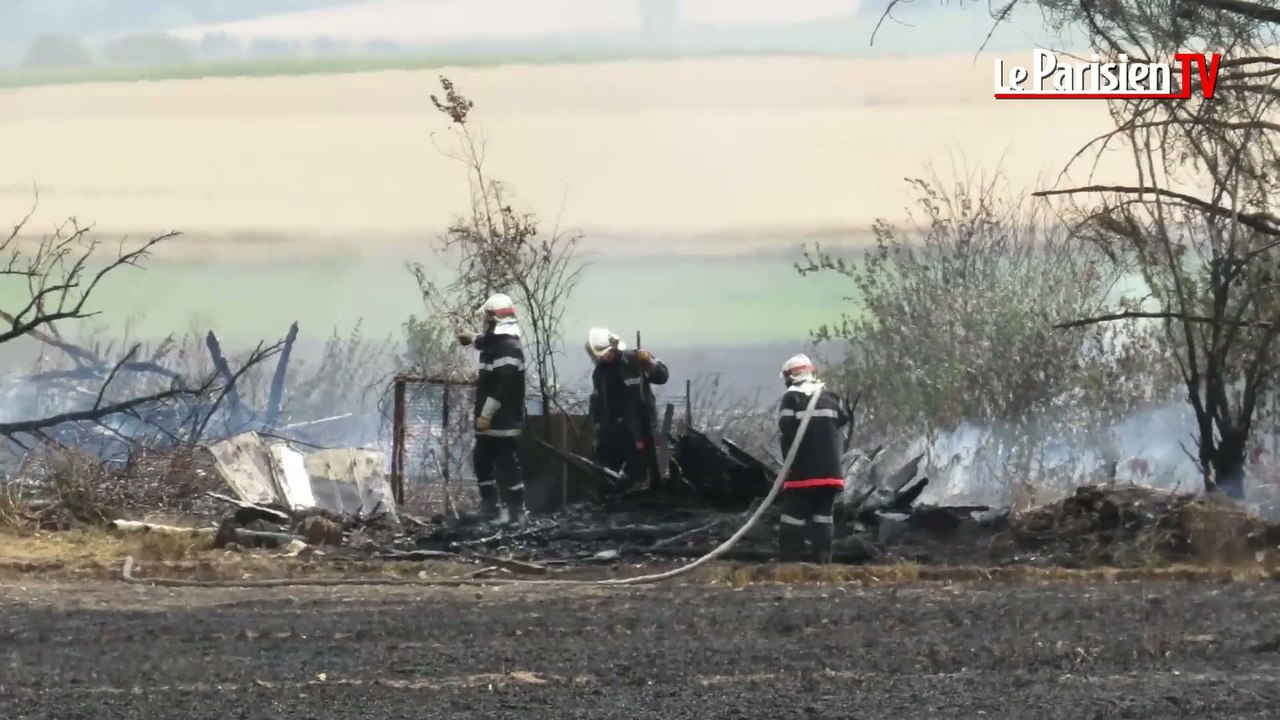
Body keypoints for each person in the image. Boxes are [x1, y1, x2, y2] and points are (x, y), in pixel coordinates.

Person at [457, 293, 527, 525]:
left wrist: (486, 414)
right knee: (482, 460)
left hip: (503, 419)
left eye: (488, 319)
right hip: (492, 419)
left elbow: (503, 387)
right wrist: (471, 338)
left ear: (496, 320)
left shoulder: (509, 348)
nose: (485, 323)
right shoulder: (496, 343)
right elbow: (485, 341)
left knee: (506, 462)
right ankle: (491, 507)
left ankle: (516, 512)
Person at [776, 353, 849, 564]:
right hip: (831, 474)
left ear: (789, 377)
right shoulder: (831, 397)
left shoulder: (791, 399)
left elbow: (786, 428)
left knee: (793, 517)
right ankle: (823, 561)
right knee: (823, 517)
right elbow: (842, 420)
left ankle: (789, 562)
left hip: (802, 472)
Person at [585, 327, 669, 489]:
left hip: (639, 431)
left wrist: (651, 364)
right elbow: (599, 402)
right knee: (607, 479)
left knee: (638, 478)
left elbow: (662, 376)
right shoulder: (599, 373)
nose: (601, 359)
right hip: (612, 433)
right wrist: (597, 428)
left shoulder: (635, 360)